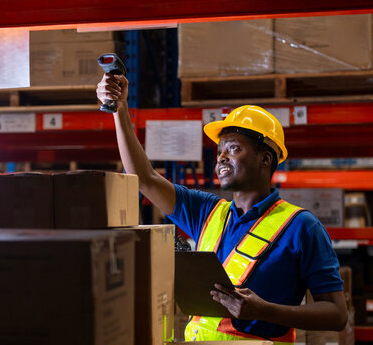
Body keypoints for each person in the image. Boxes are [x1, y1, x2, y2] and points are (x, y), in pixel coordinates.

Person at [96, 73, 347, 344]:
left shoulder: (302, 227)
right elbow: (144, 178)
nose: (221, 158)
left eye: (234, 148)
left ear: (265, 159)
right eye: (219, 152)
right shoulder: (206, 211)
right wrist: (119, 110)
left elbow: (336, 314)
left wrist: (265, 311)